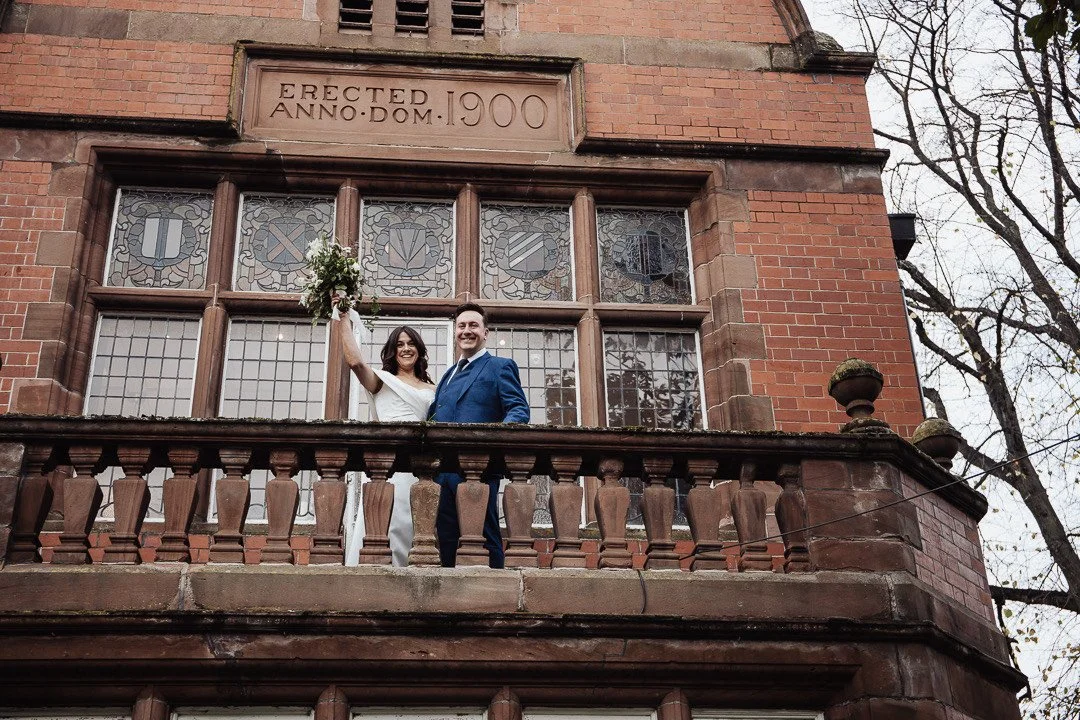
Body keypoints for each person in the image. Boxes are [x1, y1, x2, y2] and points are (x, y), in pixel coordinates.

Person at [428, 302, 530, 568]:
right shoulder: (448, 375)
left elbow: (518, 410)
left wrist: (496, 442)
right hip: (442, 474)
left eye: (473, 325)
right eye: (461, 326)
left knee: (486, 536)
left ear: (486, 332)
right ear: (455, 332)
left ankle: (499, 598)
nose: (466, 330)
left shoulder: (500, 366)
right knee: (447, 539)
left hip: (479, 471)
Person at [337, 309, 436, 567]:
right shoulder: (383, 381)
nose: (406, 349)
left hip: (422, 469)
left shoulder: (434, 389)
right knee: (384, 524)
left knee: (419, 528)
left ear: (419, 350)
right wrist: (344, 318)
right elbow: (355, 363)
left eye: (411, 343)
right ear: (392, 351)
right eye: (400, 344)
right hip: (388, 468)